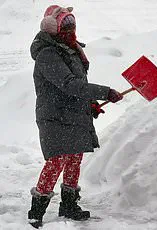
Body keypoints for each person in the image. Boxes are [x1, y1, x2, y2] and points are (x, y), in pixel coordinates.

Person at [28, 5, 123, 228]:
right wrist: (104, 91)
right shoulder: (48, 54)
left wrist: (90, 104)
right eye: (66, 25)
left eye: (72, 23)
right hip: (54, 116)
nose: (71, 29)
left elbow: (76, 86)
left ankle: (69, 206)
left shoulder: (70, 50)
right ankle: (36, 211)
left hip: (71, 114)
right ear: (52, 27)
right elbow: (69, 84)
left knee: (74, 160)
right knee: (57, 161)